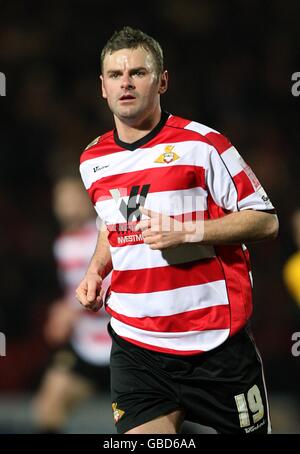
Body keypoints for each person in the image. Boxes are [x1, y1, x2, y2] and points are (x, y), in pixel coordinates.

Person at [76, 26, 279, 434]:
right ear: (102, 87)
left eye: (138, 72)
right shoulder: (92, 159)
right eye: (115, 75)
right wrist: (97, 269)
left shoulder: (204, 145)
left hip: (215, 344)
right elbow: (113, 221)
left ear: (162, 80)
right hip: (136, 344)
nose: (126, 83)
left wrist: (187, 232)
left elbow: (265, 220)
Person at [33, 176, 112, 434]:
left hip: (120, 343)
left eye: (71, 198)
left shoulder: (103, 236)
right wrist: (63, 310)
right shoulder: (62, 244)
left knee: (155, 423)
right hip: (85, 345)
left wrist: (70, 310)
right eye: (60, 199)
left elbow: (117, 286)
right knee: (47, 409)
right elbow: (72, 293)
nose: (66, 205)